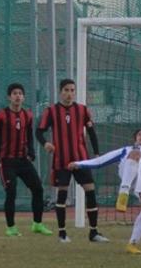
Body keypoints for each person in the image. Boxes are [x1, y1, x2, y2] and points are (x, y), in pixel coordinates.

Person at [36, 78, 107, 243]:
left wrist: (96, 154)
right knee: (62, 195)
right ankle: (62, 233)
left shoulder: (82, 110)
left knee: (90, 190)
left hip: (81, 160)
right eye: (66, 90)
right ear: (61, 92)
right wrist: (45, 142)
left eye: (72, 90)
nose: (69, 93)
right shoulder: (51, 111)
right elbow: (39, 131)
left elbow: (91, 133)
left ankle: (94, 232)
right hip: (61, 160)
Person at [0, 82, 53, 237]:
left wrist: (31, 151)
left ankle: (37, 224)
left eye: (20, 93)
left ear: (23, 97)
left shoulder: (28, 115)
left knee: (38, 189)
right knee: (11, 191)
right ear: (9, 97)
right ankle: (11, 227)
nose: (17, 96)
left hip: (23, 161)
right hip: (7, 162)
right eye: (14, 93)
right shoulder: (1, 114)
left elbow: (29, 136)